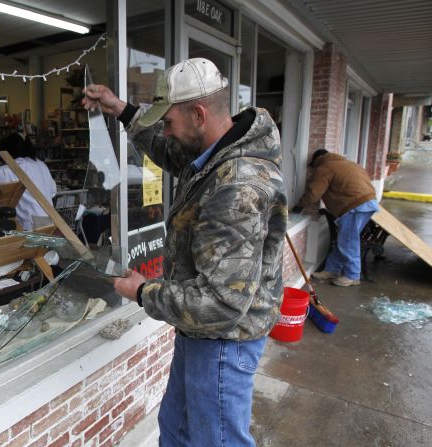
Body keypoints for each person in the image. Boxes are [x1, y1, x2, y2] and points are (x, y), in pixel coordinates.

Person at [83, 58, 287, 446]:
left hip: (223, 341)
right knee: (176, 428)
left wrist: (142, 292)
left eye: (169, 122)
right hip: (201, 335)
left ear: (198, 114)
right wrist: (121, 109)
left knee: (218, 439)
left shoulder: (236, 187)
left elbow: (221, 306)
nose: (165, 131)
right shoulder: (214, 154)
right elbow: (168, 152)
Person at [293, 148, 379, 286]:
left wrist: (299, 206)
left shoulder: (325, 167)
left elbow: (314, 192)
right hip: (368, 202)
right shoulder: (346, 163)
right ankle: (332, 270)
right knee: (344, 239)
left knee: (348, 241)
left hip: (354, 206)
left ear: (317, 160)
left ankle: (352, 275)